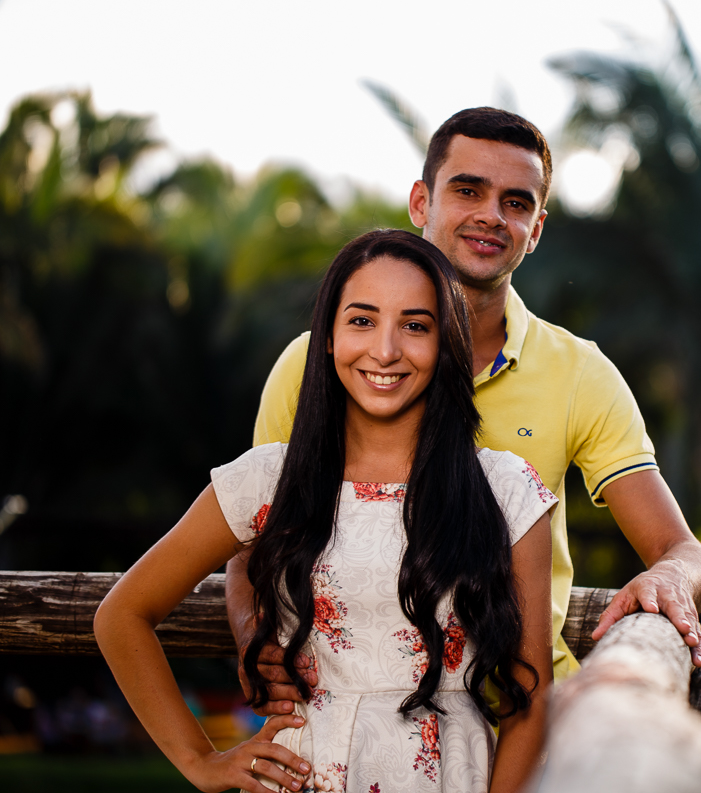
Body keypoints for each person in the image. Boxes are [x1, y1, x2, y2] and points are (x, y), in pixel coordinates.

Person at [231, 107, 701, 716]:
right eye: (467, 190)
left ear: (535, 229)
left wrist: (670, 577)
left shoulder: (579, 373)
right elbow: (250, 543)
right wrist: (254, 642)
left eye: (515, 202)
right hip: (351, 732)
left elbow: (685, 550)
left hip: (522, 727)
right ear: (420, 203)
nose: (492, 214)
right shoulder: (320, 362)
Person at [95, 230, 555, 793]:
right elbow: (121, 616)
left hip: (449, 775)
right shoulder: (267, 479)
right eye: (362, 321)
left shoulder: (506, 490)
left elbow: (531, 699)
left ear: (446, 343)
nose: (385, 350)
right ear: (329, 338)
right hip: (301, 773)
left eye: (415, 325)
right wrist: (199, 760)